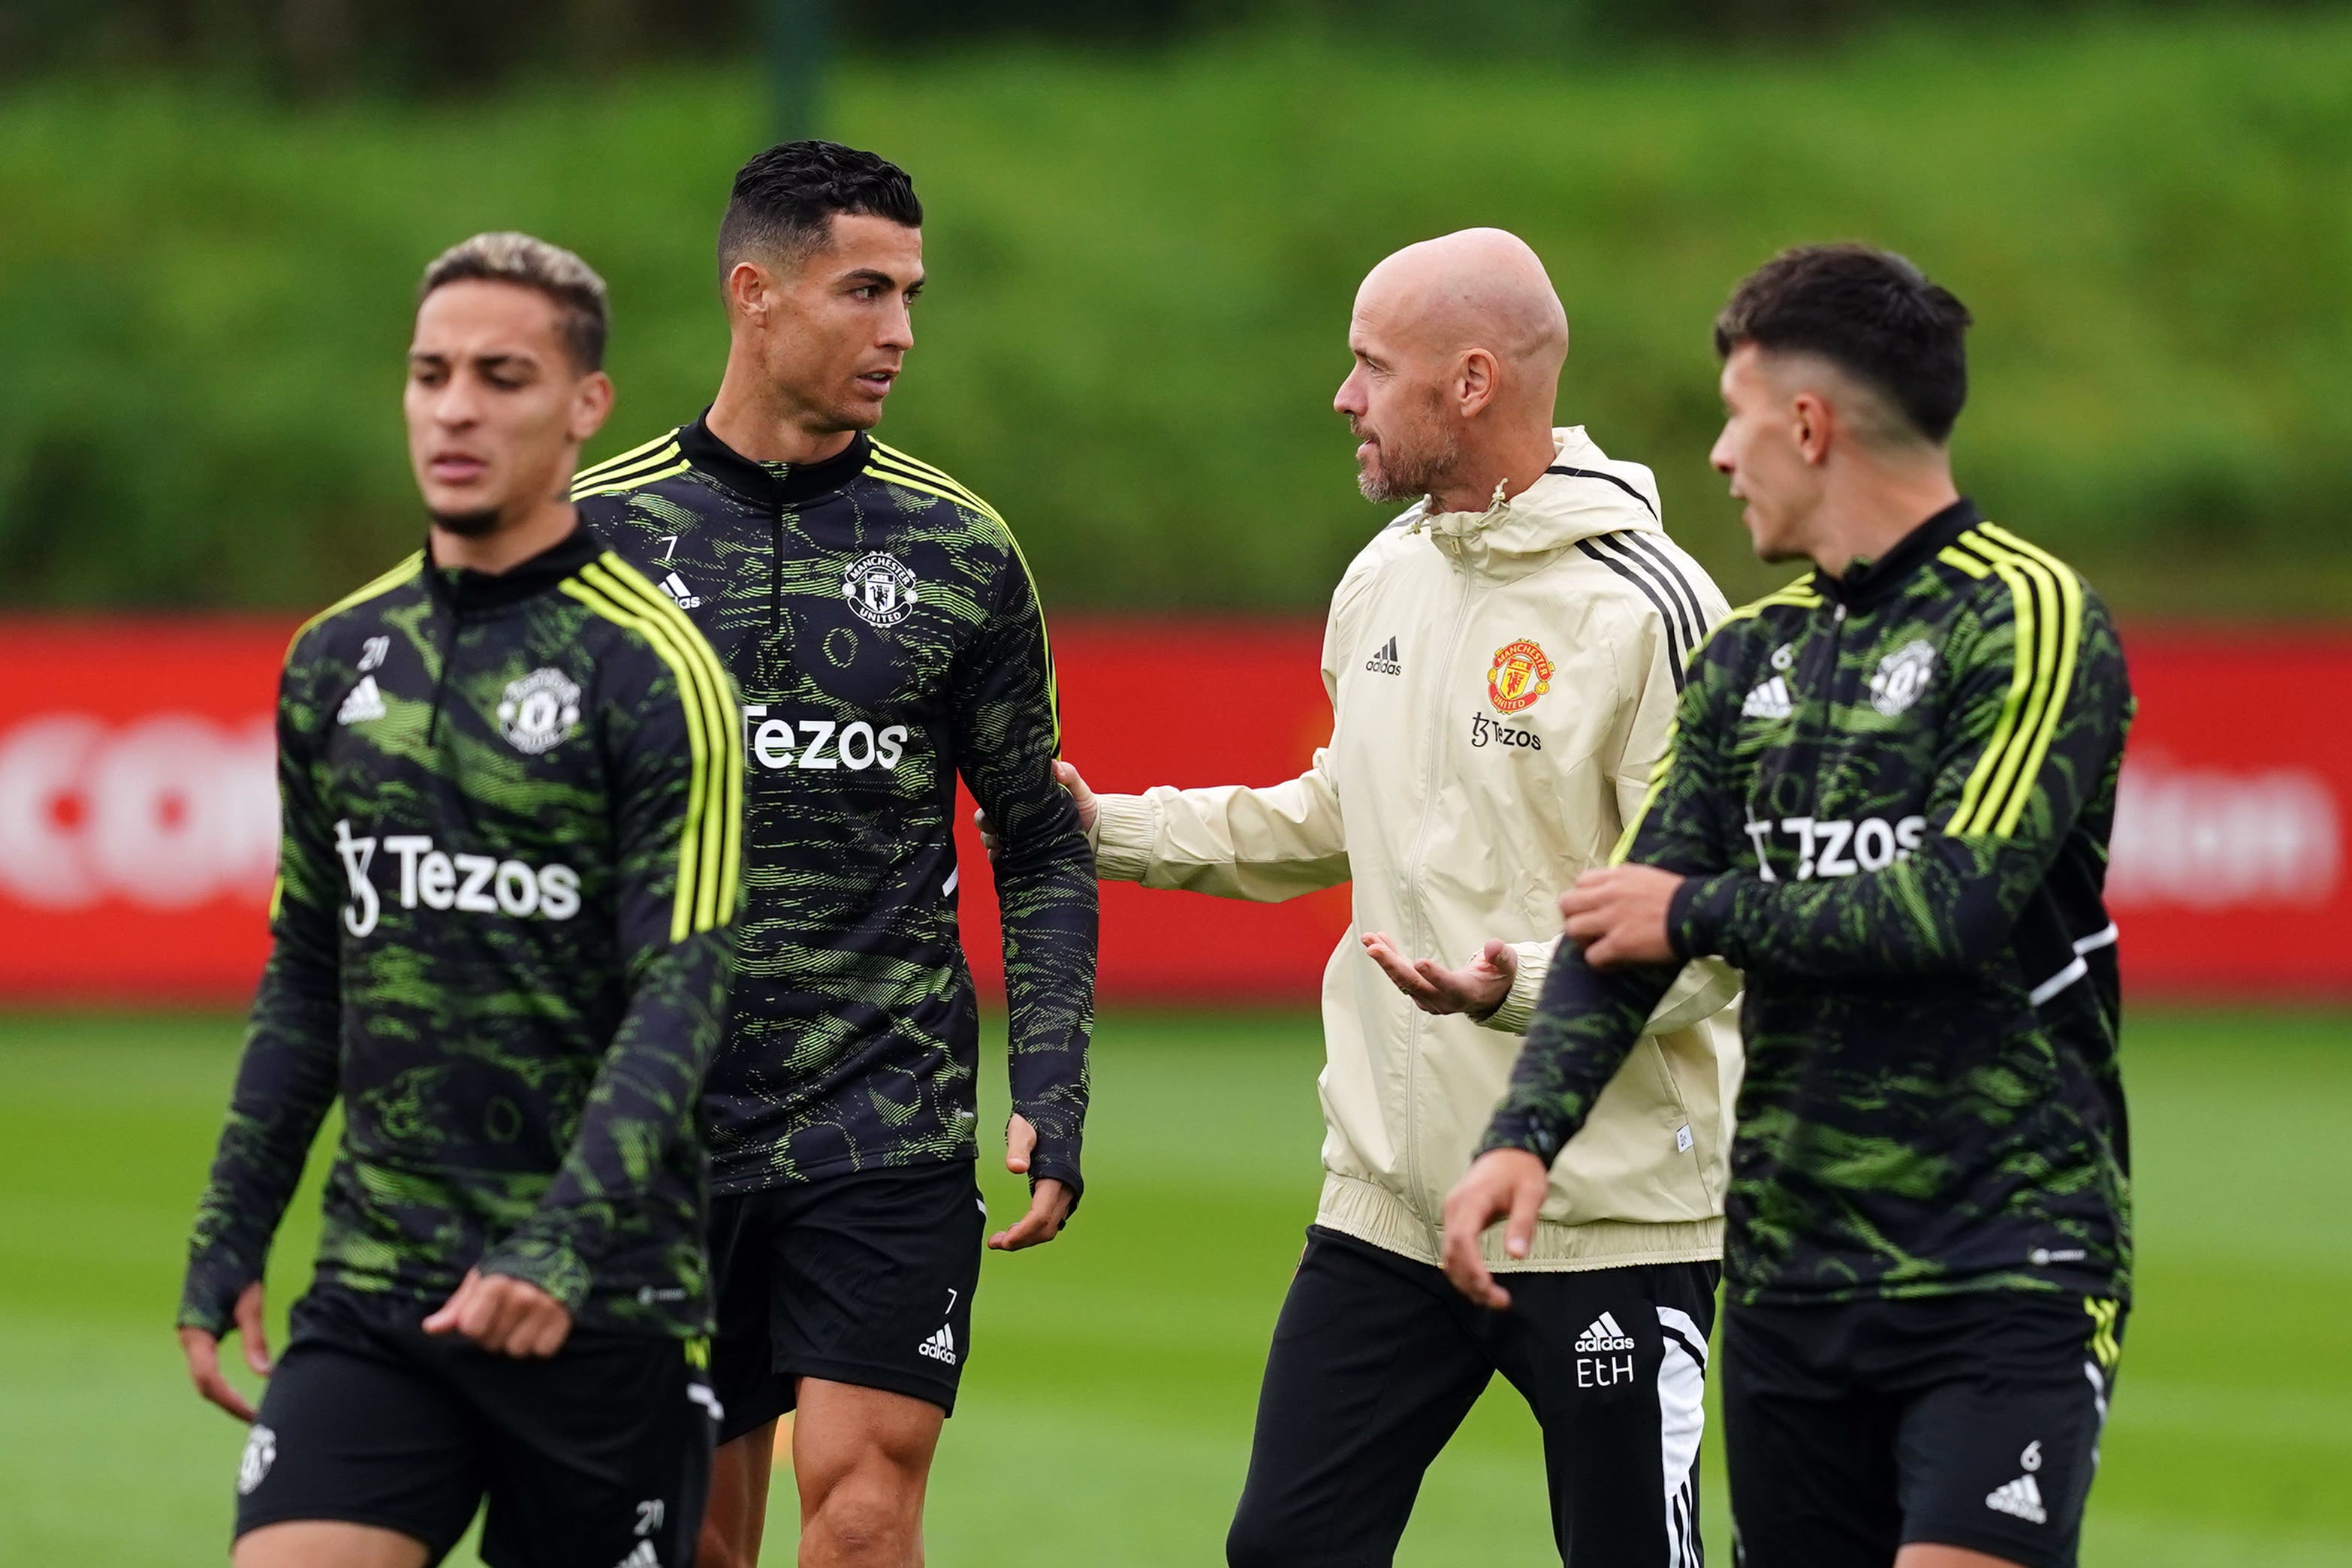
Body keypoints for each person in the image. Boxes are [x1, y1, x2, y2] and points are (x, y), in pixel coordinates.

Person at [990, 228, 1741, 1566]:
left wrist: (1512, 984)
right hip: (1389, 1205)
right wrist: (1106, 826)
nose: (1343, 395)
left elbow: (1713, 936)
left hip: (1606, 1216)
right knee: (1283, 1550)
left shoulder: (1654, 610)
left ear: (1468, 382)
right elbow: (1346, 806)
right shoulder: (1390, 572)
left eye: (1368, 365)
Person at [1445, 244, 2133, 1568]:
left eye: (1737, 414)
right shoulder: (1754, 653)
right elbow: (1616, 928)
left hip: (2003, 1265)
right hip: (1788, 1284)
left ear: (1808, 424)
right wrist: (1522, 1135)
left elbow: (1956, 906)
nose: (1718, 454)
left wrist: (1699, 911)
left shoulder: (2028, 619)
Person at [176, 232, 745, 1568]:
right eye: (432, 374)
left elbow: (683, 992)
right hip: (379, 1297)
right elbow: (308, 974)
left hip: (601, 1304)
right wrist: (229, 1233)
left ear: (584, 405)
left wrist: (557, 1248)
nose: (457, 408)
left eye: (503, 376)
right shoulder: (338, 658)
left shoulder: (656, 672)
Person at [571, 141, 1097, 1568]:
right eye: (865, 292)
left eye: (912, 295)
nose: (902, 332)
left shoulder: (959, 550)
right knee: (700, 1537)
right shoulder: (593, 540)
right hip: (662, 1129)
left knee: (863, 1516)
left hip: (885, 1121)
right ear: (755, 293)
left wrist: (1051, 1074)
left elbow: (1040, 838)